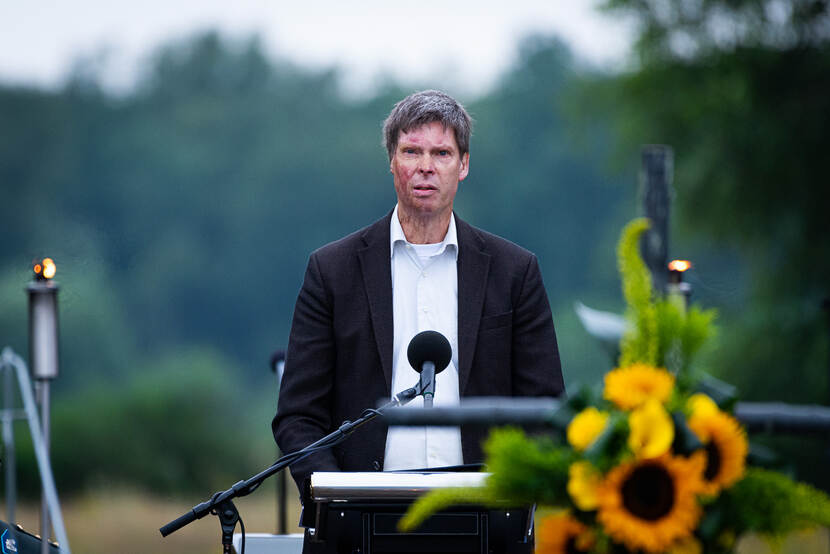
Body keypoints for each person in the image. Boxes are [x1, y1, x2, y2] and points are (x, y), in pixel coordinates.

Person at [272, 89, 564, 496]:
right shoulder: (332, 271)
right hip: (360, 510)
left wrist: (511, 492)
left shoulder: (514, 271)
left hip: (485, 508)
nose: (426, 167)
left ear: (464, 165)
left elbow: (546, 410)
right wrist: (337, 495)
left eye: (442, 154)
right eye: (411, 152)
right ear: (392, 161)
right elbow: (298, 416)